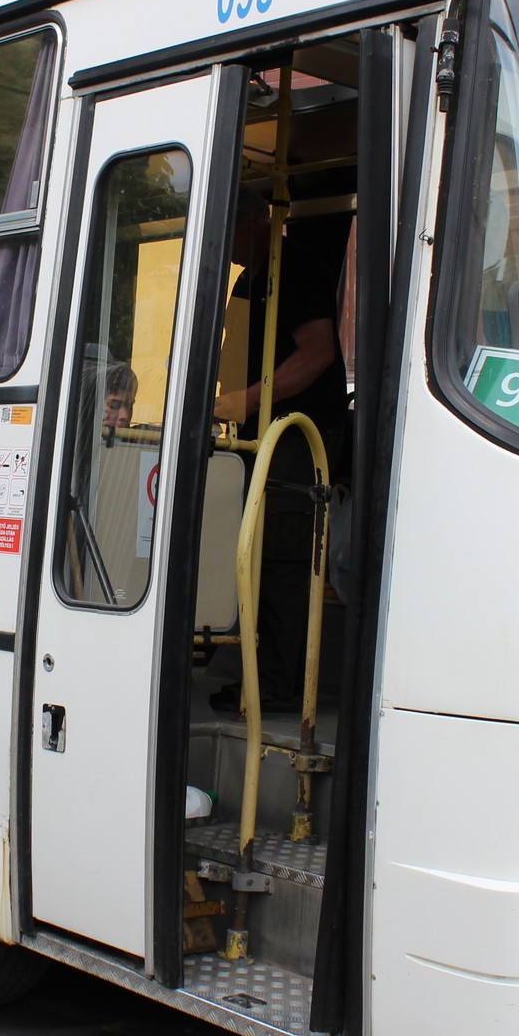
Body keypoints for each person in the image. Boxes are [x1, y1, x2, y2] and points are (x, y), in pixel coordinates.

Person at [213, 193, 349, 712]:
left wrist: (244, 401)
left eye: (229, 225)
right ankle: (255, 677)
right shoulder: (248, 280)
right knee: (251, 554)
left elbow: (318, 352)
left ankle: (275, 686)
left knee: (282, 558)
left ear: (256, 218)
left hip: (295, 439)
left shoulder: (295, 268)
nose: (223, 240)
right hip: (257, 437)